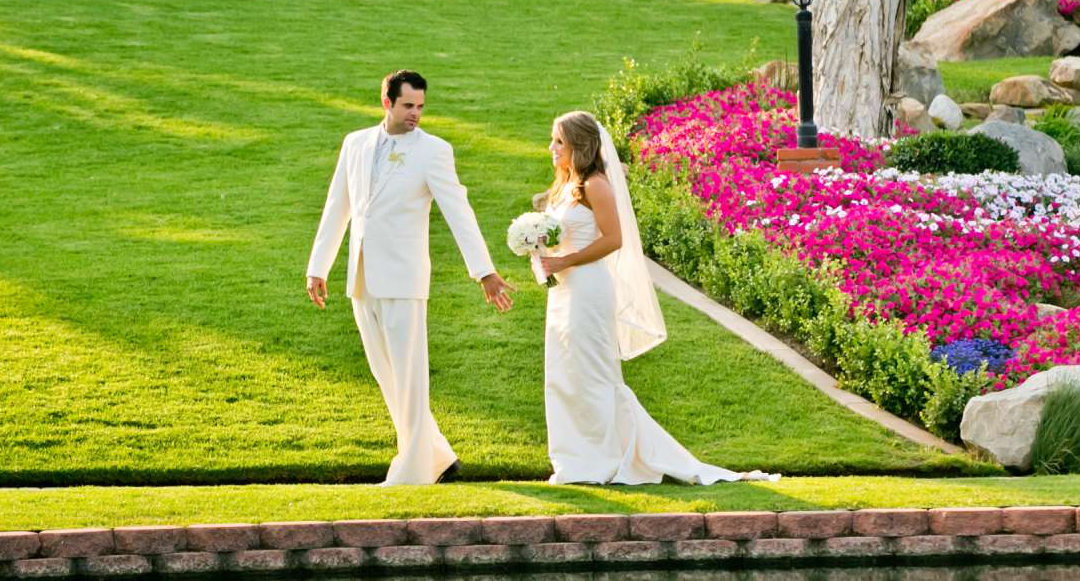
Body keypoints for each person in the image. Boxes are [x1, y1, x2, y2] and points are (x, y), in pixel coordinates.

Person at [530, 111, 775, 486]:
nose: (551, 148)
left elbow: (614, 240)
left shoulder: (596, 184)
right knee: (565, 374)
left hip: (588, 290)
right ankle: (575, 458)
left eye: (558, 141)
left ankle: (607, 458)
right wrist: (538, 244)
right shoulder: (567, 185)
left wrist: (566, 260)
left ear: (579, 146)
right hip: (563, 292)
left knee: (593, 373)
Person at [307, 70, 513, 485]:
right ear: (387, 102)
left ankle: (414, 470)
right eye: (408, 106)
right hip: (361, 278)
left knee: (410, 377)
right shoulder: (355, 144)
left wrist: (484, 272)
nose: (416, 113)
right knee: (387, 376)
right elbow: (337, 206)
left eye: (421, 106)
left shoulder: (433, 151)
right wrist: (318, 267)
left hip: (405, 278)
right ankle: (437, 454)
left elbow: (459, 211)